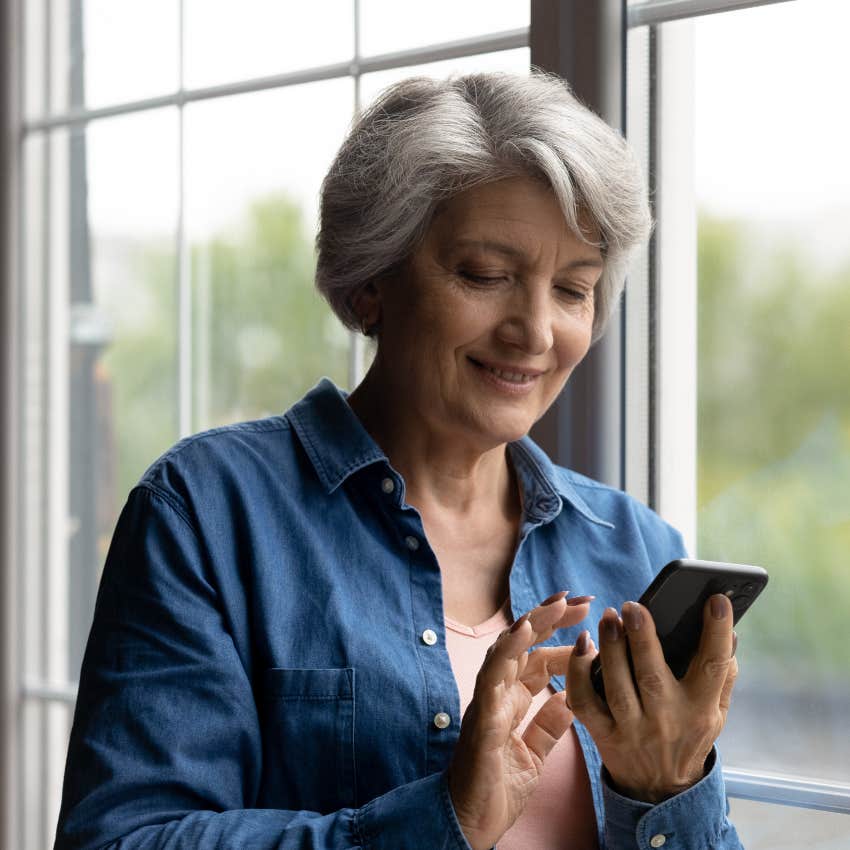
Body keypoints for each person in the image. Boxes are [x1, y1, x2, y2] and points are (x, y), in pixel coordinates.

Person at [55, 71, 743, 849]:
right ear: (370, 282)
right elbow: (119, 841)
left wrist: (667, 793)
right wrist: (443, 819)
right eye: (486, 276)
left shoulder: (637, 546)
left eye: (573, 291)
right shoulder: (208, 513)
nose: (535, 331)